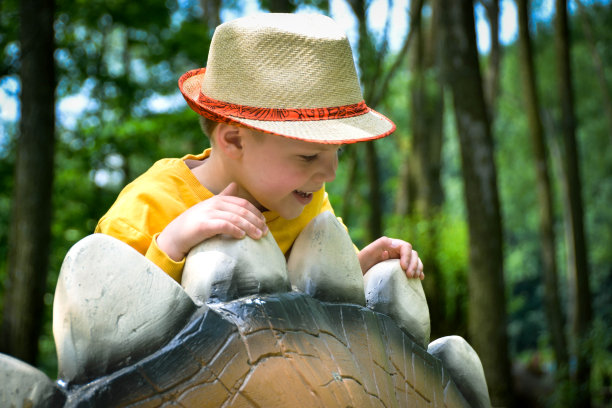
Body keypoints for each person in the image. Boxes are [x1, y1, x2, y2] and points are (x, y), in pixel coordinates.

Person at [95, 12, 424, 284]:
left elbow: (320, 293)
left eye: (336, 152)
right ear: (234, 140)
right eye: (309, 156)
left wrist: (365, 267)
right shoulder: (145, 212)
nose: (330, 174)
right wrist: (172, 242)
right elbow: (106, 320)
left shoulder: (307, 205)